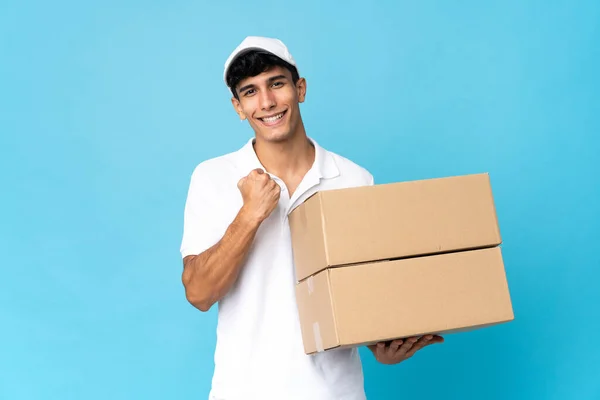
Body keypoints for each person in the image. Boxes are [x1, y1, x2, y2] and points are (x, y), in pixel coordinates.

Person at [179, 36, 443, 400]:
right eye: (250, 91)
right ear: (238, 107)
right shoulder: (213, 177)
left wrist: (381, 343)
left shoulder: (354, 179)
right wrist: (250, 215)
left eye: (276, 83)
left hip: (336, 392)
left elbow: (362, 291)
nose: (267, 102)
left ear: (299, 88)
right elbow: (199, 293)